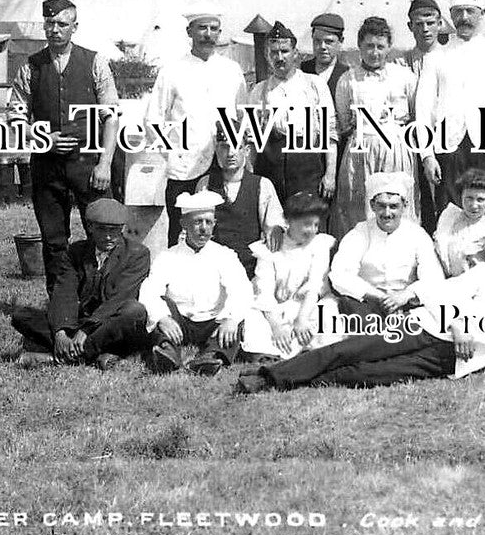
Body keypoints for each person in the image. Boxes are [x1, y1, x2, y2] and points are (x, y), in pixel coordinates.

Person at [236, 232, 485, 393]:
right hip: (423, 326)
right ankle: (269, 377)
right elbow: (436, 292)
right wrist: (456, 324)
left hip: (447, 360)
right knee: (350, 348)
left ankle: (297, 381)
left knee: (366, 375)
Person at [7, 0, 118, 293]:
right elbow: (15, 116)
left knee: (102, 229)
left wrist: (105, 163)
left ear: (74, 27)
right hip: (47, 165)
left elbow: (111, 116)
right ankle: (60, 301)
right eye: (49, 23)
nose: (54, 29)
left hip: (89, 163)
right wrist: (42, 138)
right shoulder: (30, 67)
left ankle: (102, 295)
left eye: (62, 24)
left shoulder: (95, 62)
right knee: (54, 238)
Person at [414, 0, 485, 222]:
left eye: (470, 11)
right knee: (449, 217)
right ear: (450, 16)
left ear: (481, 13)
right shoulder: (435, 58)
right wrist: (427, 155)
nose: (463, 18)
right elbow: (423, 111)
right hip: (449, 150)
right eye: (458, 12)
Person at [145, 7, 247, 246]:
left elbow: (242, 116)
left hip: (223, 164)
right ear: (189, 31)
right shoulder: (172, 70)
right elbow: (153, 119)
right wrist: (172, 155)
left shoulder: (231, 70)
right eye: (202, 28)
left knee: (222, 228)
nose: (207, 34)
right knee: (182, 231)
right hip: (185, 169)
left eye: (213, 29)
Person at [11, 198, 149, 370]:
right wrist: (60, 332)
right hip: (79, 322)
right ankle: (94, 355)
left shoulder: (137, 254)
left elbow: (119, 299)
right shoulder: (76, 252)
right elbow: (63, 292)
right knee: (21, 316)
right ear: (90, 227)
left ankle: (59, 358)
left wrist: (86, 331)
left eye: (114, 230)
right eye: (101, 229)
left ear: (122, 229)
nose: (108, 236)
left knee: (134, 311)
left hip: (110, 323)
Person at [138, 191, 252, 375]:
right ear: (184, 224)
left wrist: (230, 319)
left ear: (214, 224)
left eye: (209, 222)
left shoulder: (225, 255)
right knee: (159, 308)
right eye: (197, 222)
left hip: (213, 320)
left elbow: (241, 289)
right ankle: (168, 352)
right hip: (181, 321)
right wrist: (163, 318)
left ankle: (212, 356)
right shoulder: (168, 256)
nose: (203, 229)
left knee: (238, 320)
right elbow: (150, 289)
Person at [331, 16, 420, 234]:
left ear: (389, 47)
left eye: (380, 46)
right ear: (360, 46)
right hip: (361, 152)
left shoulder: (405, 77)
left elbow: (416, 116)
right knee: (359, 210)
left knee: (397, 206)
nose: (374, 52)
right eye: (369, 46)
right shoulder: (347, 80)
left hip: (396, 151)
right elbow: (343, 122)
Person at [247, 21, 339, 212]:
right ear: (267, 55)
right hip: (271, 168)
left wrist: (330, 174)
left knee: (309, 224)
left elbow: (329, 133)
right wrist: (250, 174)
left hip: (307, 168)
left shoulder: (314, 85)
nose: (279, 58)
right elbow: (253, 140)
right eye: (274, 52)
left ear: (295, 53)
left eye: (284, 51)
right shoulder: (259, 91)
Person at [328, 172, 446, 319]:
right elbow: (340, 274)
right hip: (366, 303)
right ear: (372, 206)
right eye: (382, 206)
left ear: (404, 206)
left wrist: (406, 295)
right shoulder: (359, 233)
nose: (387, 213)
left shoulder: (417, 234)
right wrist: (378, 297)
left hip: (408, 305)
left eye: (394, 206)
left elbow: (433, 277)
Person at [241, 192, 343, 360]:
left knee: (328, 310)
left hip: (308, 306)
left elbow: (315, 285)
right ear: (288, 221)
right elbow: (264, 292)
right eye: (306, 224)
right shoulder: (270, 249)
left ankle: (314, 349)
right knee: (253, 316)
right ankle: (270, 352)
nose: (312, 230)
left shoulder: (319, 245)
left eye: (316, 225)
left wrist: (301, 319)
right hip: (275, 309)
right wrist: (276, 326)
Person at [398, 0, 445, 232]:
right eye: (418, 24)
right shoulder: (401, 62)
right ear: (410, 27)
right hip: (409, 142)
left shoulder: (450, 57)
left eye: (430, 22)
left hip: (443, 139)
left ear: (440, 24)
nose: (425, 29)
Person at [206, 142, 287, 280]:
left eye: (236, 147)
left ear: (247, 150)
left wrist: (276, 230)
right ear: (216, 150)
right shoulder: (206, 185)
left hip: (251, 271)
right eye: (224, 147)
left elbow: (274, 226)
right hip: (214, 271)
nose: (231, 153)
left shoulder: (262, 185)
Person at [433, 168, 485, 277]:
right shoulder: (450, 218)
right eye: (469, 198)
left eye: (480, 200)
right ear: (461, 196)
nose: (474, 205)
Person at [299, 12, 350, 101]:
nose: (322, 46)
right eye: (317, 41)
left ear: (341, 41)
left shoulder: (347, 75)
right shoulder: (301, 71)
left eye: (328, 42)